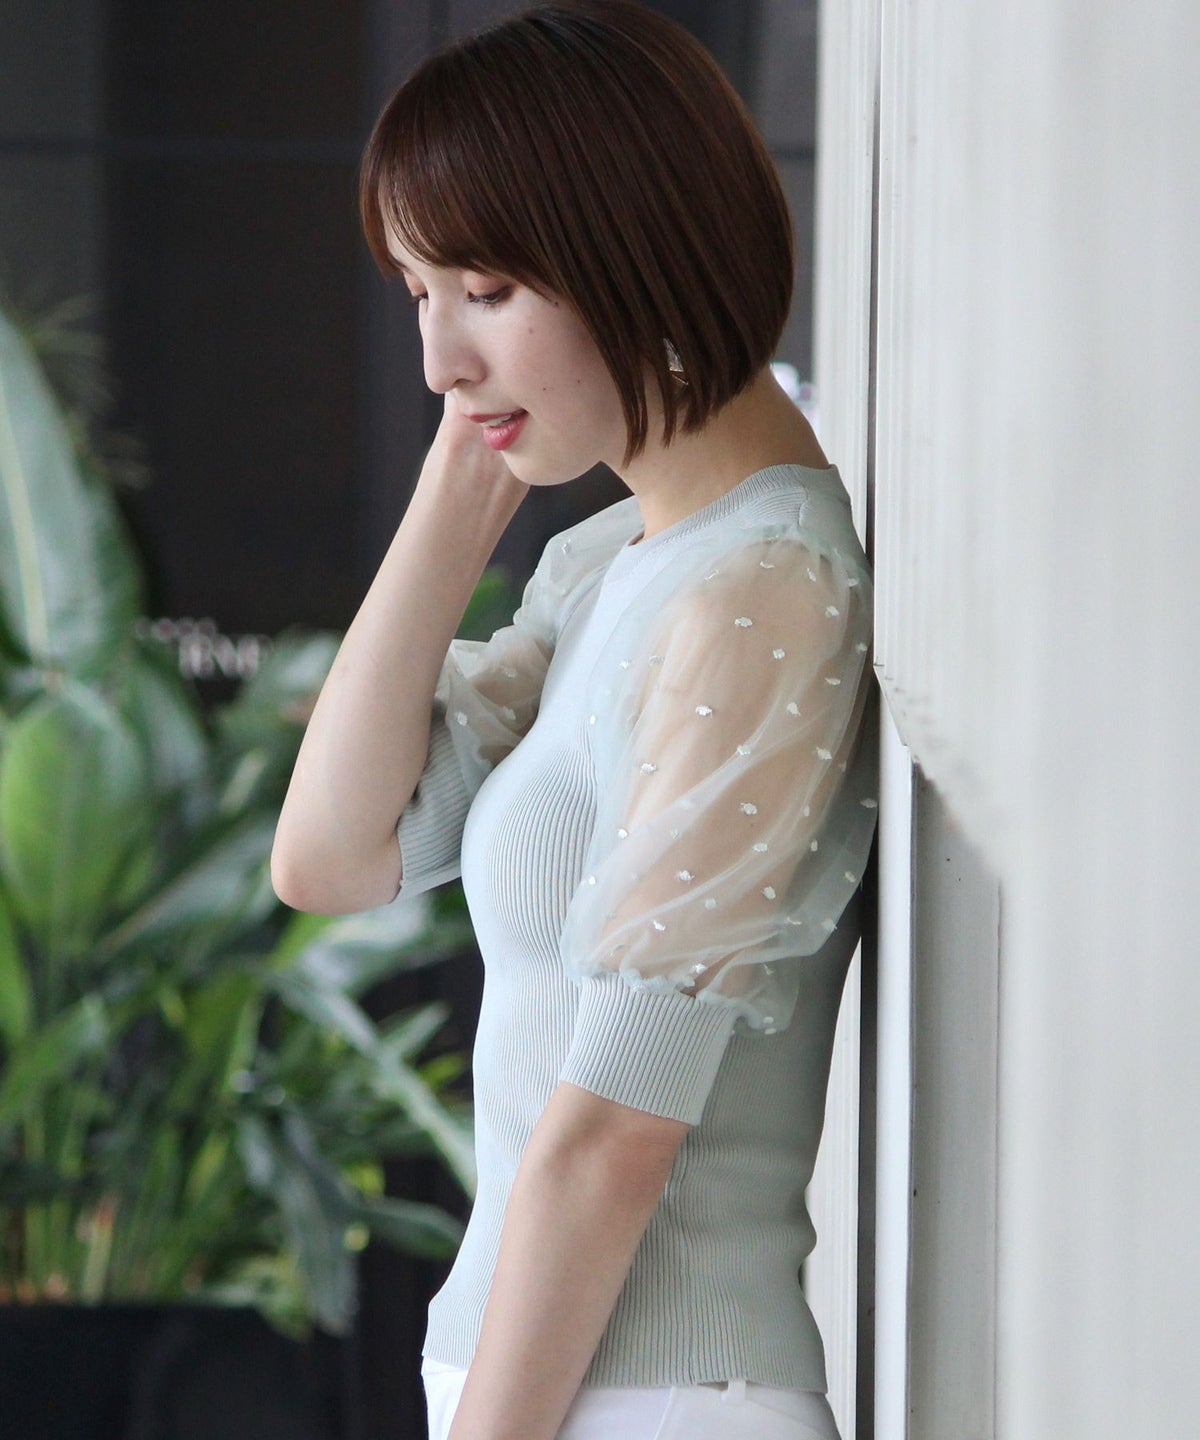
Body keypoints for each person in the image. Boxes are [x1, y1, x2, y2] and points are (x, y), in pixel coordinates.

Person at [271, 3, 879, 1437]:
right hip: (558, 1394)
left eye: (484, 289)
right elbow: (332, 858)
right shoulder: (617, 564)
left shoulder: (761, 590)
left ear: (638, 249)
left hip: (651, 1397)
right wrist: (460, 489)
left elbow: (615, 1135)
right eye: (417, 292)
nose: (440, 358)